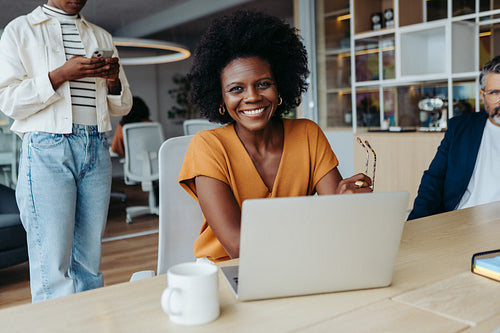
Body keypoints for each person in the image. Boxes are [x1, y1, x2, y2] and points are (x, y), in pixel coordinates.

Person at [179, 10, 372, 263]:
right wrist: (327, 216)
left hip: (299, 261)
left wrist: (348, 203)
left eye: (263, 84)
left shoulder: (307, 134)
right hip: (229, 271)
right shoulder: (208, 147)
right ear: (221, 99)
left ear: (280, 86)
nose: (252, 97)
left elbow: (339, 221)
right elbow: (238, 246)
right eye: (236, 89)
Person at [0, 0, 132, 302]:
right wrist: (59, 75)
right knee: (52, 262)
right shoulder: (20, 30)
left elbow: (122, 106)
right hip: (48, 146)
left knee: (88, 259)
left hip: (96, 145)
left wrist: (112, 80)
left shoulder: (101, 37)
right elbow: (8, 101)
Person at [408, 55, 500, 220]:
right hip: (458, 224)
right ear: (483, 95)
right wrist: (414, 226)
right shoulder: (460, 128)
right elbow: (433, 180)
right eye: (494, 93)